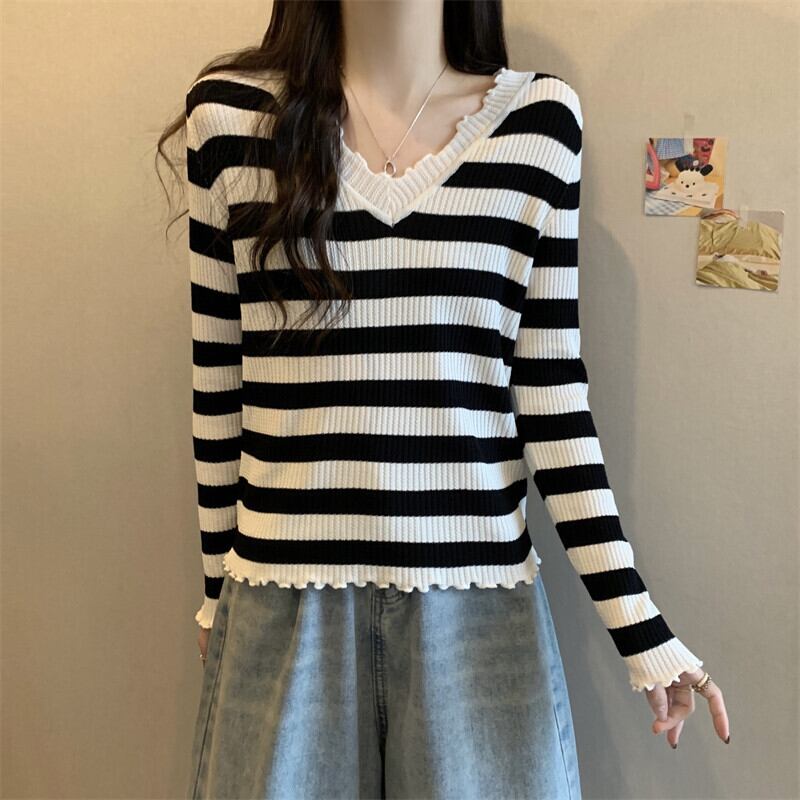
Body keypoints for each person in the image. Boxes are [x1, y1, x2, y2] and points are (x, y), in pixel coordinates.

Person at [158, 2, 731, 797]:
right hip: (282, 607)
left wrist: (639, 626)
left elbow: (552, 399)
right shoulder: (231, 119)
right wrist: (217, 595)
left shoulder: (537, 124)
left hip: (478, 610)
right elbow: (219, 385)